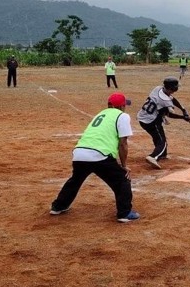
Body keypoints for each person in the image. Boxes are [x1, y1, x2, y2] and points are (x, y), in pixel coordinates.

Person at [49, 92, 141, 223]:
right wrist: (124, 165)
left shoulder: (100, 114)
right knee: (122, 180)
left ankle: (58, 206)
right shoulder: (122, 116)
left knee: (75, 180)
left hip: (79, 153)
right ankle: (124, 213)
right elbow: (123, 143)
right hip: (99, 154)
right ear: (121, 106)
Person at [137, 76, 190, 169]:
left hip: (143, 117)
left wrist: (183, 109)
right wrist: (183, 117)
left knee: (157, 137)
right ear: (172, 88)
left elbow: (172, 98)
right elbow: (169, 114)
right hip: (151, 121)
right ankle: (153, 157)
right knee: (162, 142)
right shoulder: (164, 101)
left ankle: (162, 154)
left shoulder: (158, 88)